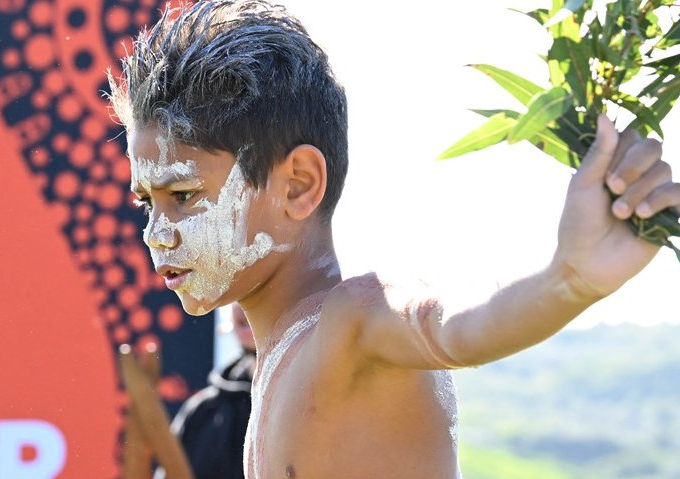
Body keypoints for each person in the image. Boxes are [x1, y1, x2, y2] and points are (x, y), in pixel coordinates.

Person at [107, 1, 680, 477]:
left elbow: (456, 327)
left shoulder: (352, 320)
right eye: (144, 201)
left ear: (299, 185)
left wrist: (568, 279)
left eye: (182, 195)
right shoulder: (276, 361)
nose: (157, 232)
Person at [156, 303, 256, 479]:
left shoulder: (310, 402)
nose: (244, 304)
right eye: (238, 297)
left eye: (259, 289)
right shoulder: (202, 411)